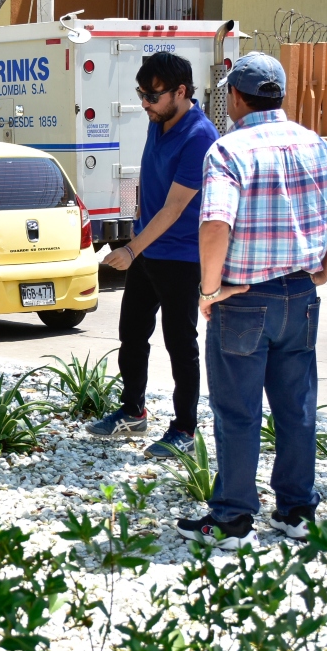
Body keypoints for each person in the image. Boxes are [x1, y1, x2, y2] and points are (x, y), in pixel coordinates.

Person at [176, 53, 327, 549]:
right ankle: (297, 512)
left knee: (237, 412)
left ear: (236, 97)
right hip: (299, 293)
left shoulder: (227, 149)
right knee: (297, 408)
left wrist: (209, 289)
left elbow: (216, 223)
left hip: (244, 297)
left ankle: (234, 518)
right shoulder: (315, 144)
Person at [86, 52, 219, 459]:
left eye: (152, 95)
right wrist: (136, 226)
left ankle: (183, 428)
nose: (144, 103)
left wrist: (130, 248)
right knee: (132, 333)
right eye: (141, 94)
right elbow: (148, 179)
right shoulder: (158, 121)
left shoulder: (200, 136)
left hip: (180, 255)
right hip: (149, 247)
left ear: (181, 92)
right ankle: (133, 411)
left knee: (181, 343)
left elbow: (176, 207)